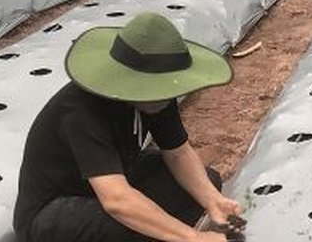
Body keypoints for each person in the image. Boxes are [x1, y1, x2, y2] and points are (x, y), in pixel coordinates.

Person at [14, 12, 245, 242]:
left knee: (205, 182)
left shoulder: (159, 97)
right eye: (157, 89)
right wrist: (191, 237)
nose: (166, 96)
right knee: (133, 226)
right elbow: (116, 200)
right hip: (54, 210)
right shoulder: (80, 110)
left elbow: (177, 153)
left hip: (113, 179)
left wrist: (213, 200)